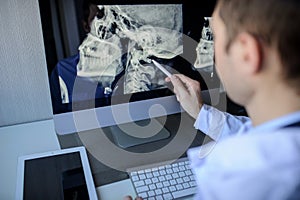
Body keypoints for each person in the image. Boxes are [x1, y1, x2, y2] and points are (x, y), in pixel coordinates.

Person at [127, 0, 300, 199]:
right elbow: (252, 132)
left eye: (215, 38)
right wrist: (200, 112)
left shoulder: (239, 181)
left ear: (247, 54)